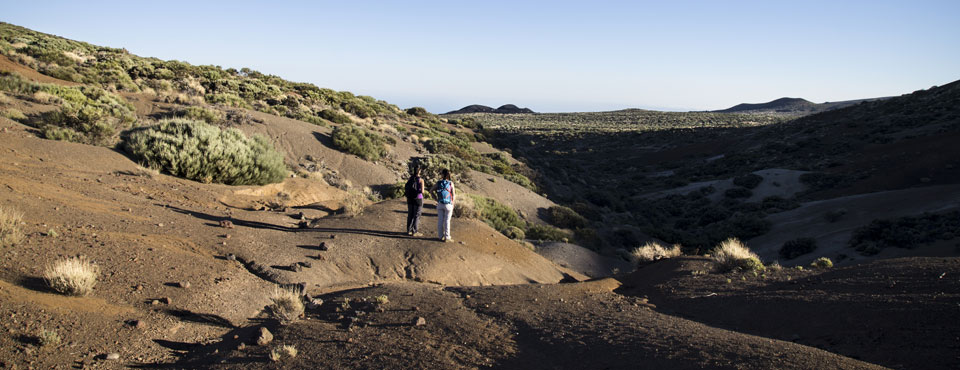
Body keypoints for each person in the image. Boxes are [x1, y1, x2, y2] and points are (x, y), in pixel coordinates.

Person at [431, 168, 455, 242]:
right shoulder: (451, 183)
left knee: (440, 221)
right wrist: (452, 203)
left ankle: (440, 236)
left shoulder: (438, 183)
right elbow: (453, 195)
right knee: (447, 221)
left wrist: (436, 199)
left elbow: (431, 191)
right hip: (448, 204)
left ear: (442, 174)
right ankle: (447, 237)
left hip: (440, 203)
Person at [404, 166, 425, 236]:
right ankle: (415, 231)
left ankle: (408, 230)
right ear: (419, 171)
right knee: (417, 215)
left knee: (410, 214)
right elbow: (422, 191)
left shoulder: (410, 179)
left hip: (410, 198)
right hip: (418, 199)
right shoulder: (421, 180)